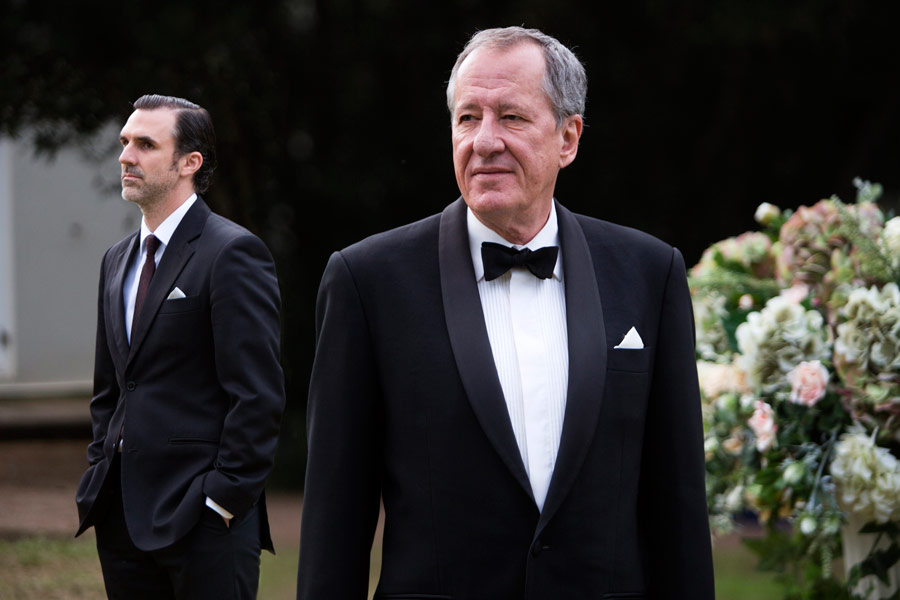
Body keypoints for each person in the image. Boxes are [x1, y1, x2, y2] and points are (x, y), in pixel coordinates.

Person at [298, 27, 714, 599]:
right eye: (468, 118)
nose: (485, 140)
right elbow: (335, 515)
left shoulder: (649, 272)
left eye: (512, 117)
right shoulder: (368, 281)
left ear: (568, 138)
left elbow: (678, 502)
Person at [75, 94, 285, 600]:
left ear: (190, 162)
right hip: (120, 518)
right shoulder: (116, 260)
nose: (126, 156)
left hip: (204, 522)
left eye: (146, 145)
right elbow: (110, 389)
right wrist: (100, 466)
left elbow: (257, 396)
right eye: (125, 142)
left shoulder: (232, 252)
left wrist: (222, 500)